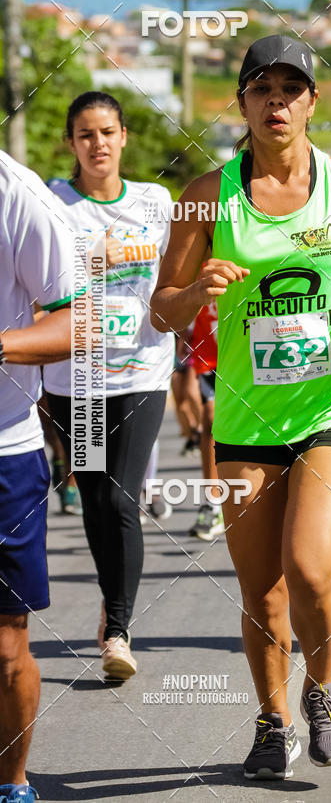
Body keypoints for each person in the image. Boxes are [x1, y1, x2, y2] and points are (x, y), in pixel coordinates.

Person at [151, 34, 331, 779]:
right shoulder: (206, 195)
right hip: (245, 417)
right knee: (261, 590)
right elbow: (162, 307)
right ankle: (271, 721)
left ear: (313, 102)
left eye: (292, 89)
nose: (277, 102)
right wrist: (195, 295)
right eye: (262, 88)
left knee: (308, 568)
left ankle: (323, 695)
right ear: (243, 103)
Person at [43, 91, 175, 680]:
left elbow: (176, 278)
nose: (98, 144)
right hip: (79, 379)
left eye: (107, 132)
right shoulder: (53, 206)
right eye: (85, 134)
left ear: (124, 138)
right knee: (95, 501)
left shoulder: (155, 202)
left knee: (122, 498)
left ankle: (118, 630)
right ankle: (112, 602)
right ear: (72, 144)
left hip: (142, 372)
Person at [0, 150, 74, 803]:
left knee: (5, 647)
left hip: (7, 454)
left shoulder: (21, 198)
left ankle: (13, 782)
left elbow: (76, 321)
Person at [187, 300, 223, 541]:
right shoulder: (193, 261)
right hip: (209, 354)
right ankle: (212, 503)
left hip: (247, 348)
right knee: (209, 418)